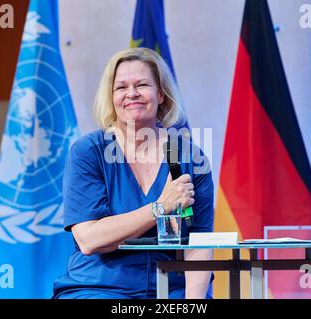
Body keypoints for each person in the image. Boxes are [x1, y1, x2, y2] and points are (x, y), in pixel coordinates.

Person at [52, 47, 214, 299]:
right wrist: (159, 207)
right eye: (121, 87)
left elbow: (199, 242)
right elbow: (89, 239)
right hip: (99, 288)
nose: (132, 94)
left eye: (142, 85)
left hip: (172, 289)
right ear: (111, 97)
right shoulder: (88, 152)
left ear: (161, 94)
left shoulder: (189, 157)